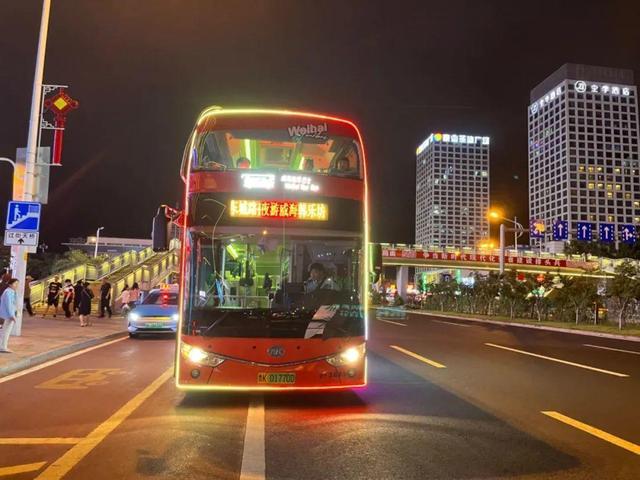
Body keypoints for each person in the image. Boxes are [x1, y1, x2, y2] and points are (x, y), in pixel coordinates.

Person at [0, 278, 19, 353]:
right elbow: (9, 305)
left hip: (8, 314)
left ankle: (3, 346)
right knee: (5, 331)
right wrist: (12, 315)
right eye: (15, 284)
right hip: (7, 315)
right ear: (10, 284)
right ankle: (3, 347)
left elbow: (13, 304)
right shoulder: (8, 292)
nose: (17, 285)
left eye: (17, 284)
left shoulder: (11, 291)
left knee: (5, 331)